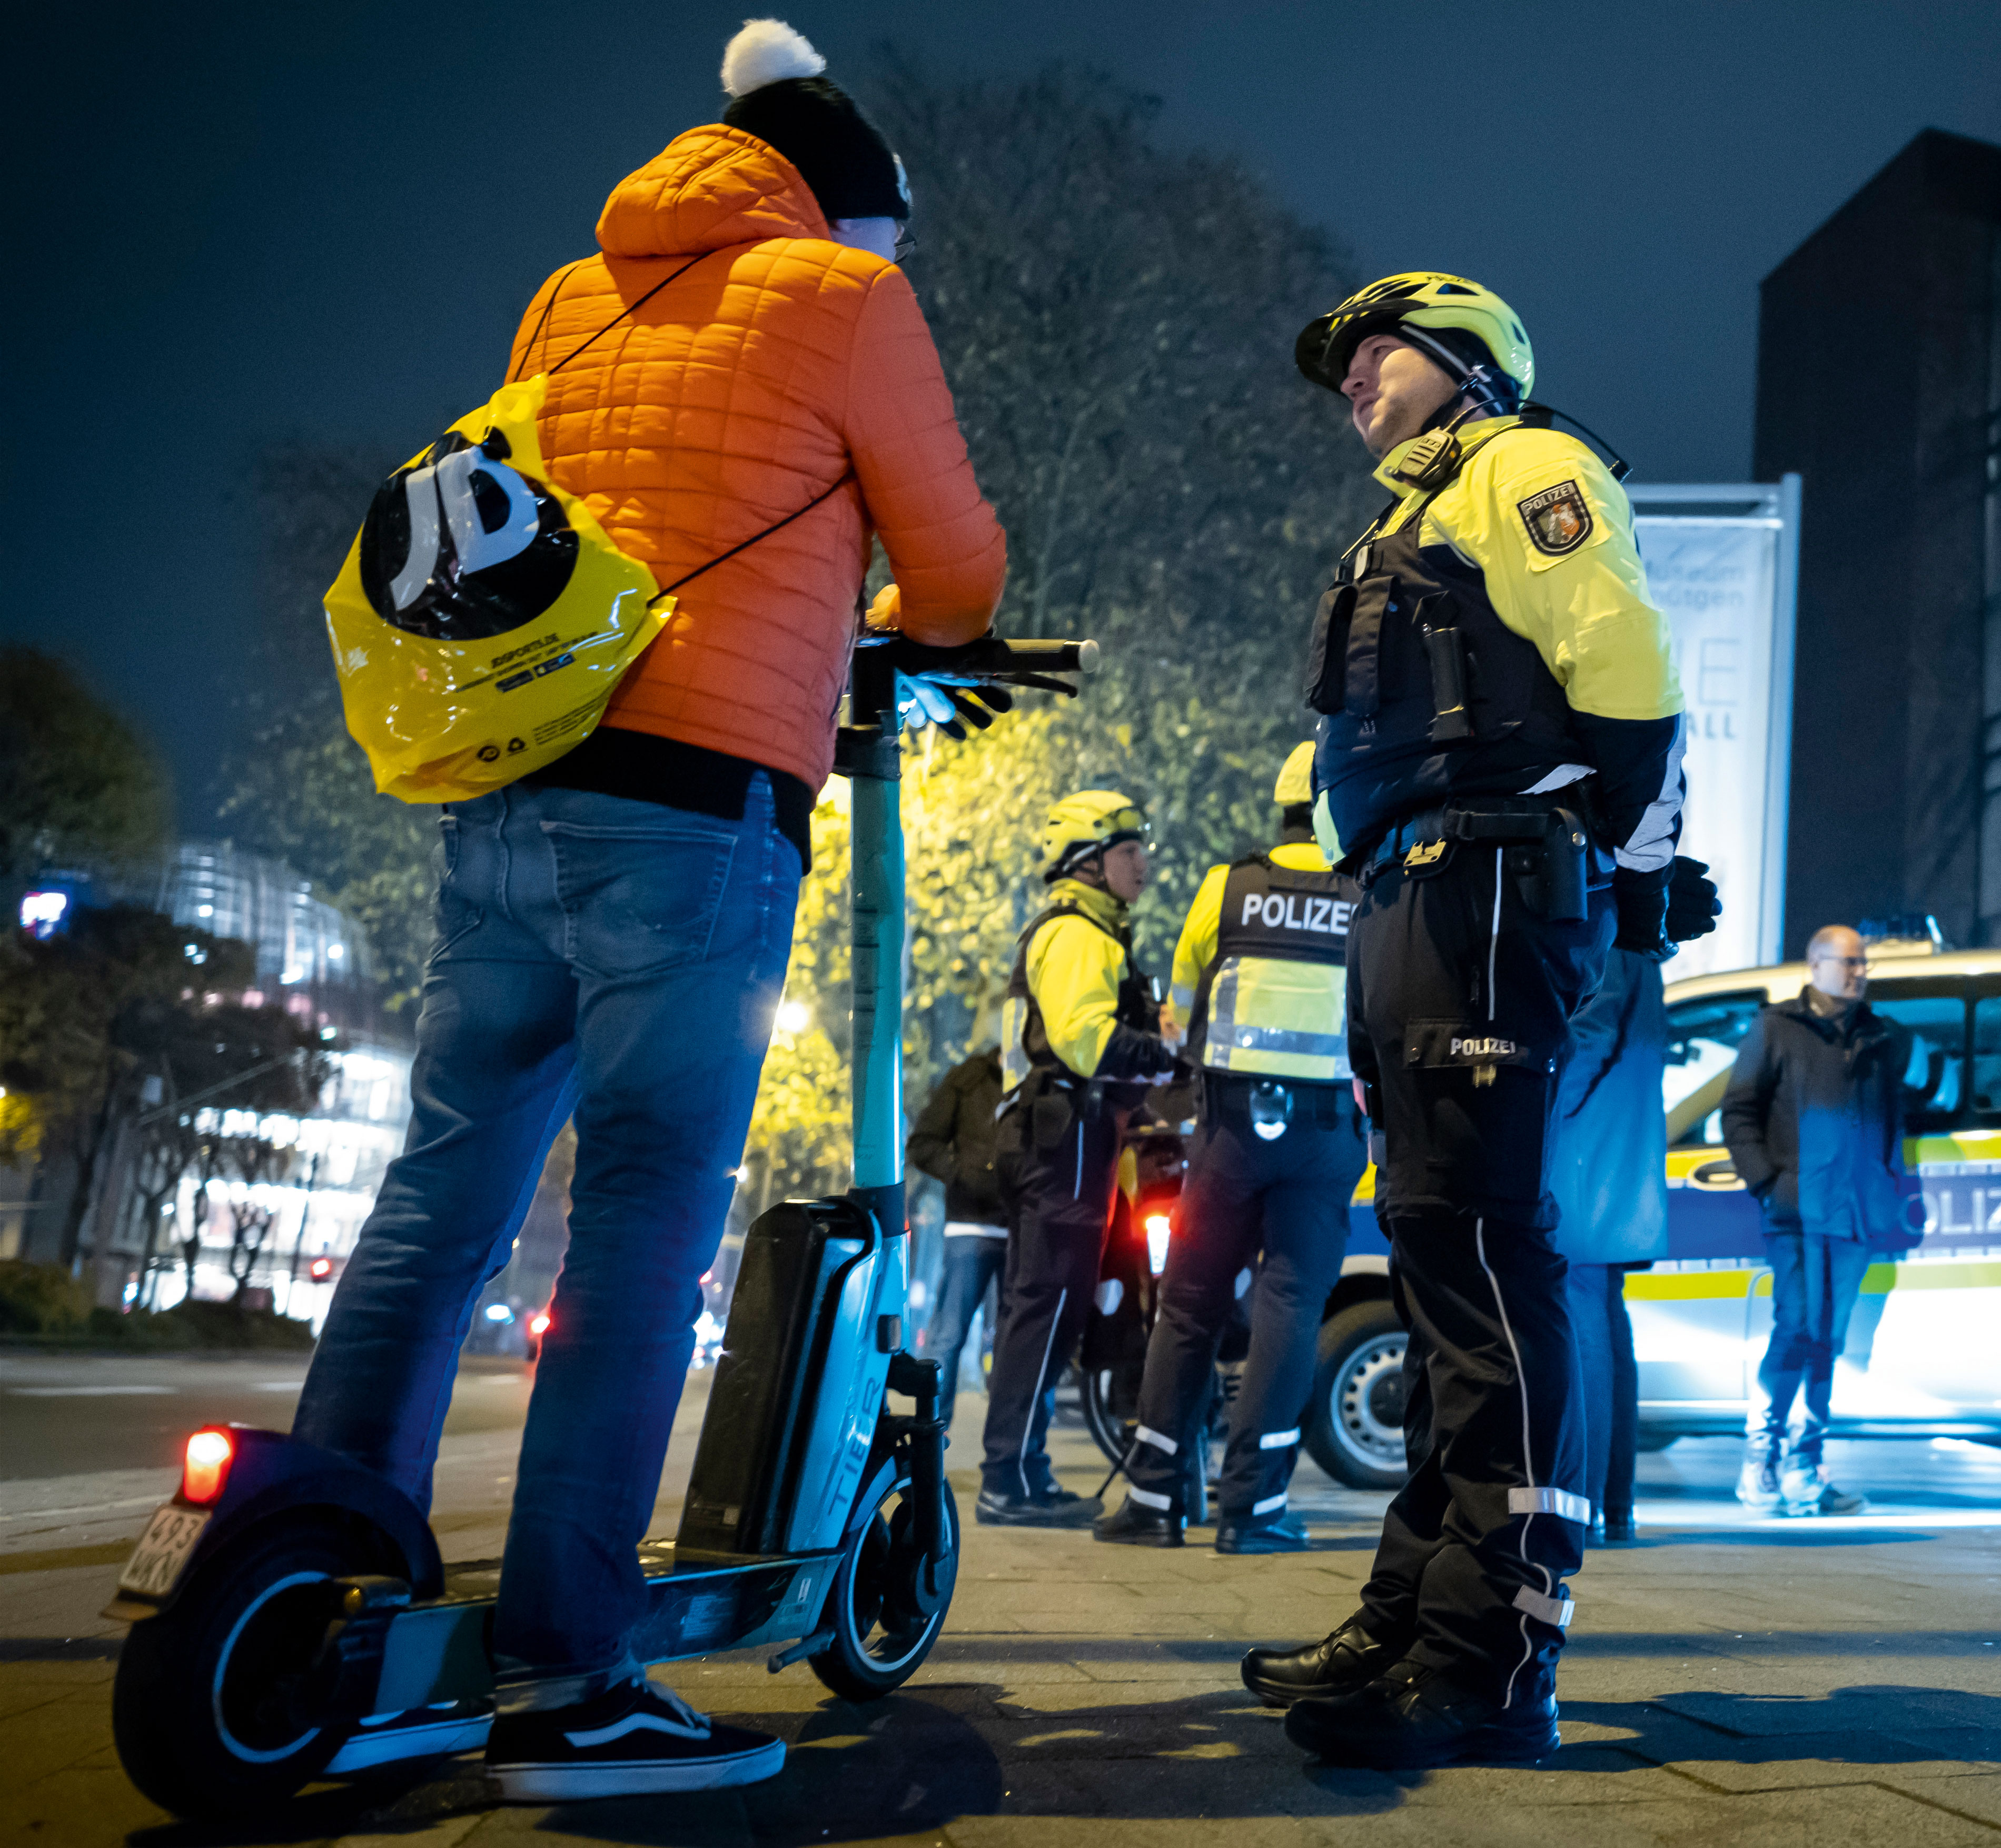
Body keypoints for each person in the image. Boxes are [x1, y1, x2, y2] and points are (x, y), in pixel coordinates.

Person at [289, 18, 1003, 1798]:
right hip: (698, 813)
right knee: (636, 1241)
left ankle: (328, 1598)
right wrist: (894, 626)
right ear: (855, 212)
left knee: (438, 1204)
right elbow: (962, 567)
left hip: (511, 784)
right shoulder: (843, 303)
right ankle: (572, 1671)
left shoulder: (570, 294)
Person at [1235, 271, 1716, 1770]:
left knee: (1490, 1266)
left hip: (1490, 882)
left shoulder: (1526, 468)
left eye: (1375, 352)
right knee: (1445, 1261)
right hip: (1416, 893)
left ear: (1461, 360)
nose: (1352, 380)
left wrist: (1628, 857)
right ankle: (1411, 1615)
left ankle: (1496, 1654)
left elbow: (1627, 671)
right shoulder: (1413, 512)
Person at [1097, 745, 1368, 1553]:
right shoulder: (1367, 894)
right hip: (1323, 1138)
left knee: (1188, 1305)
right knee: (1291, 1309)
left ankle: (1154, 1499)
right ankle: (1251, 1510)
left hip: (1229, 1129)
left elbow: (1179, 1011)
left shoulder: (1229, 886)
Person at [980, 790, 1177, 1526]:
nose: (1144, 868)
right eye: (1131, 853)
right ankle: (1007, 1479)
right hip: (1063, 1140)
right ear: (1088, 862)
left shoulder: (1087, 932)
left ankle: (1022, 1471)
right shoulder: (1078, 935)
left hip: (1061, 1137)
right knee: (1047, 1306)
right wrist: (1170, 1055)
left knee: (1048, 1308)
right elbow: (1085, 1041)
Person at [1722, 925, 1911, 1518]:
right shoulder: (1776, 1029)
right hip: (1798, 1212)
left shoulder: (1879, 1037)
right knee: (1797, 1328)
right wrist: (1768, 1184)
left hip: (1853, 1214)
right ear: (1816, 964)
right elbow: (1738, 1111)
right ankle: (1762, 1458)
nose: (1859, 974)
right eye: (1849, 964)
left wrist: (1885, 1185)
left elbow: (1892, 1117)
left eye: (1864, 965)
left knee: (1830, 1338)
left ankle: (1806, 1463)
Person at [1548, 943, 1672, 1545]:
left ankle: (1584, 1503)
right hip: (1610, 1151)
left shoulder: (1607, 931)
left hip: (1580, 1150)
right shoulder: (1641, 942)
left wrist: (1535, 1115)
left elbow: (1587, 1037)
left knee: (1582, 1318)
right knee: (1604, 1320)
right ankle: (1611, 1502)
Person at [907, 1026, 1017, 1391]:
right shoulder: (967, 1080)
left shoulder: (1043, 1084)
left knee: (1016, 1343)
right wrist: (964, 1175)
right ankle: (932, 1434)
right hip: (970, 1226)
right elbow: (923, 1145)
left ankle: (1008, 1445)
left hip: (1024, 1229)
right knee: (950, 1333)